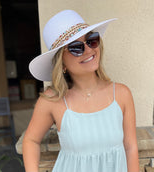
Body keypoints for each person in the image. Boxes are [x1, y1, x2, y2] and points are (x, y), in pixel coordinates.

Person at [23, 10, 139, 172]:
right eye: (76, 47)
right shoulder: (52, 100)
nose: (88, 50)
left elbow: (131, 147)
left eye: (91, 40)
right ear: (61, 63)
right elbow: (30, 140)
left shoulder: (121, 94)